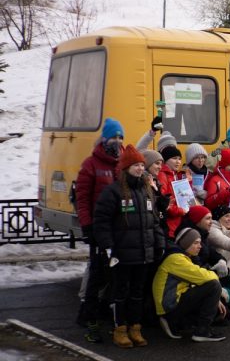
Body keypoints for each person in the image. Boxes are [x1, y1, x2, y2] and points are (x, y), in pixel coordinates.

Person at [92, 145, 165, 348]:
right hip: (122, 255)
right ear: (126, 168)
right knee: (120, 292)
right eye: (136, 165)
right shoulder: (113, 192)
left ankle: (135, 327)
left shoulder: (146, 190)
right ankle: (120, 329)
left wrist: (159, 244)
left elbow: (154, 222)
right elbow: (102, 223)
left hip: (144, 253)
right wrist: (108, 248)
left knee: (137, 292)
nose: (141, 169)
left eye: (142, 165)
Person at [76, 117, 124, 342]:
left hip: (118, 229)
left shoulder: (121, 162)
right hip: (98, 227)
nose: (117, 141)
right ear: (104, 139)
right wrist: (87, 224)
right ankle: (88, 315)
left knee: (113, 272)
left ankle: (104, 309)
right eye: (114, 137)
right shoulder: (90, 164)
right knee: (97, 272)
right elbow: (82, 198)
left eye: (120, 137)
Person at [152, 227, 227, 343]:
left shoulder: (184, 257)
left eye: (200, 243)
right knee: (214, 285)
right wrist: (218, 288)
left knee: (214, 297)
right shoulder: (176, 259)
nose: (200, 246)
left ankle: (182, 324)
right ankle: (201, 331)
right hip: (169, 307)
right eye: (196, 243)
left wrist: (217, 299)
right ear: (186, 243)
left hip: (172, 303)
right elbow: (206, 277)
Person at [156, 145, 187, 238]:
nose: (178, 162)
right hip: (170, 225)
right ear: (166, 160)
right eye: (174, 158)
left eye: (179, 159)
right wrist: (181, 211)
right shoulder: (163, 175)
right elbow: (164, 202)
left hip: (176, 224)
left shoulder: (174, 175)